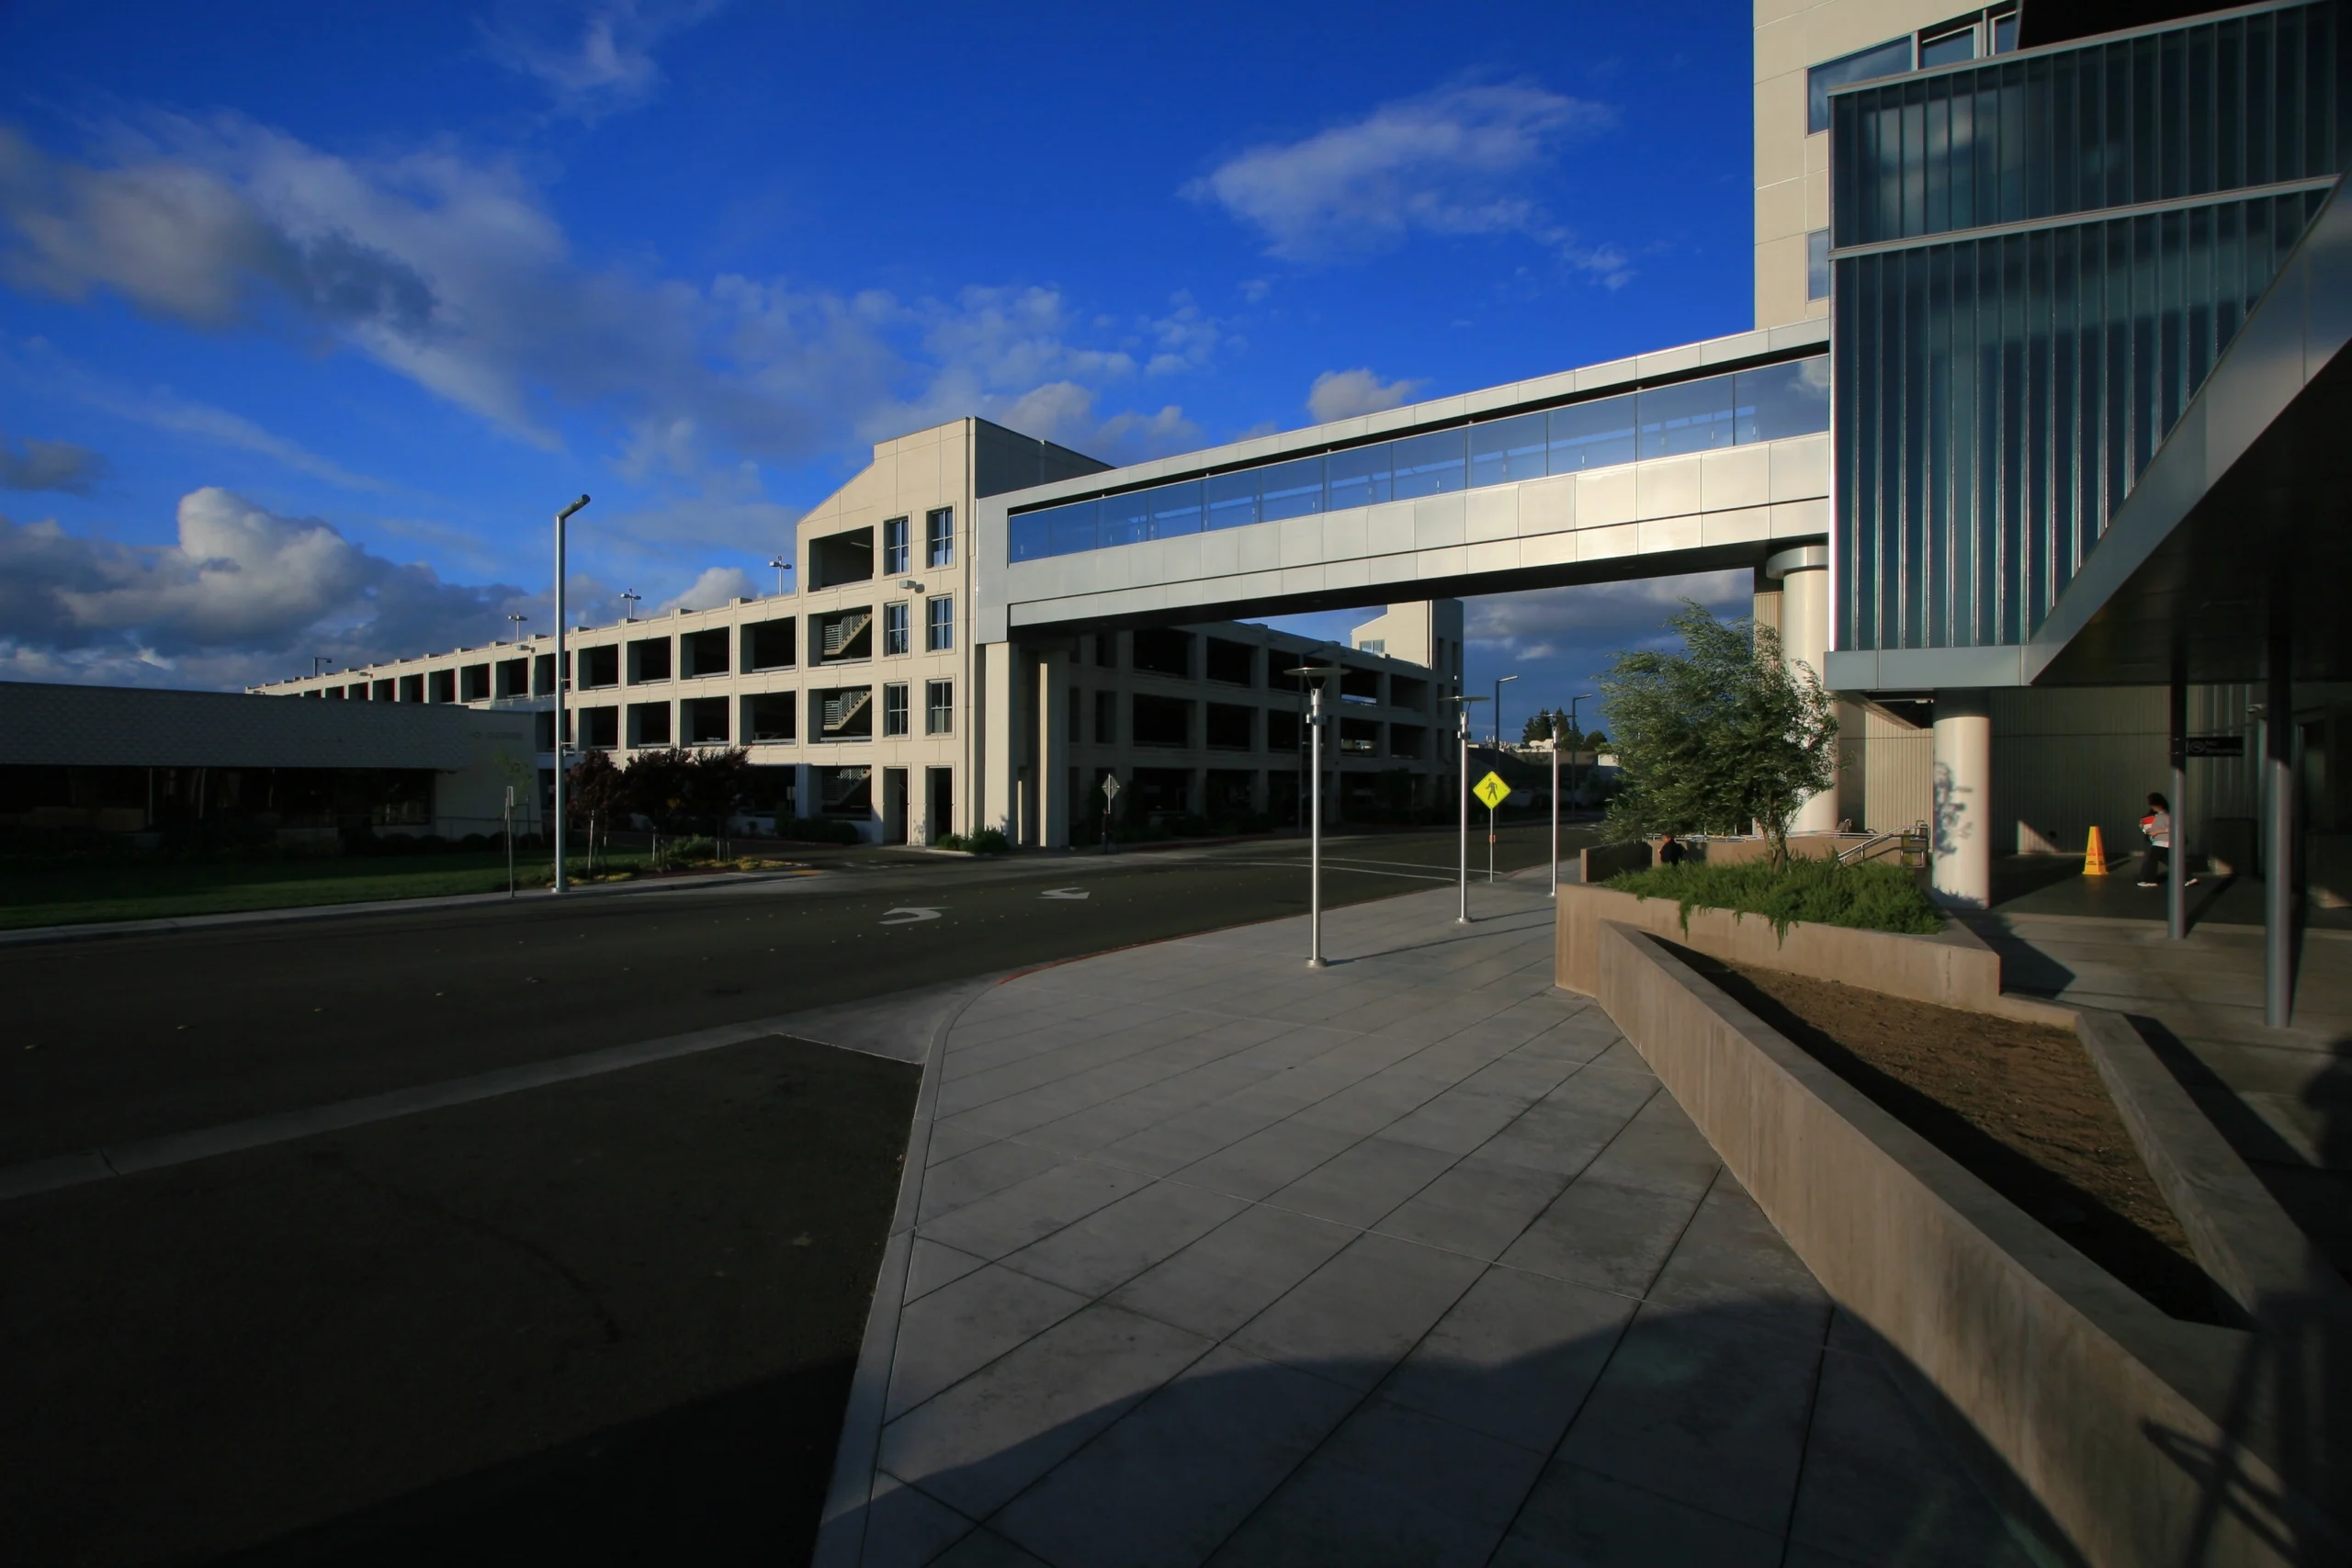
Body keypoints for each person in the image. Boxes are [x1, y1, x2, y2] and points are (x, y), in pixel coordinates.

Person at [2137, 793, 2199, 888]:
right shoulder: (2158, 816)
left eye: (2153, 805)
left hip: (2161, 842)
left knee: (2151, 860)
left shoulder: (2165, 816)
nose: (2152, 808)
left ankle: (2149, 880)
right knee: (2170, 861)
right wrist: (2144, 827)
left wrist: (2156, 832)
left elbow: (2172, 828)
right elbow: (2149, 829)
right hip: (2161, 842)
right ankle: (2188, 878)